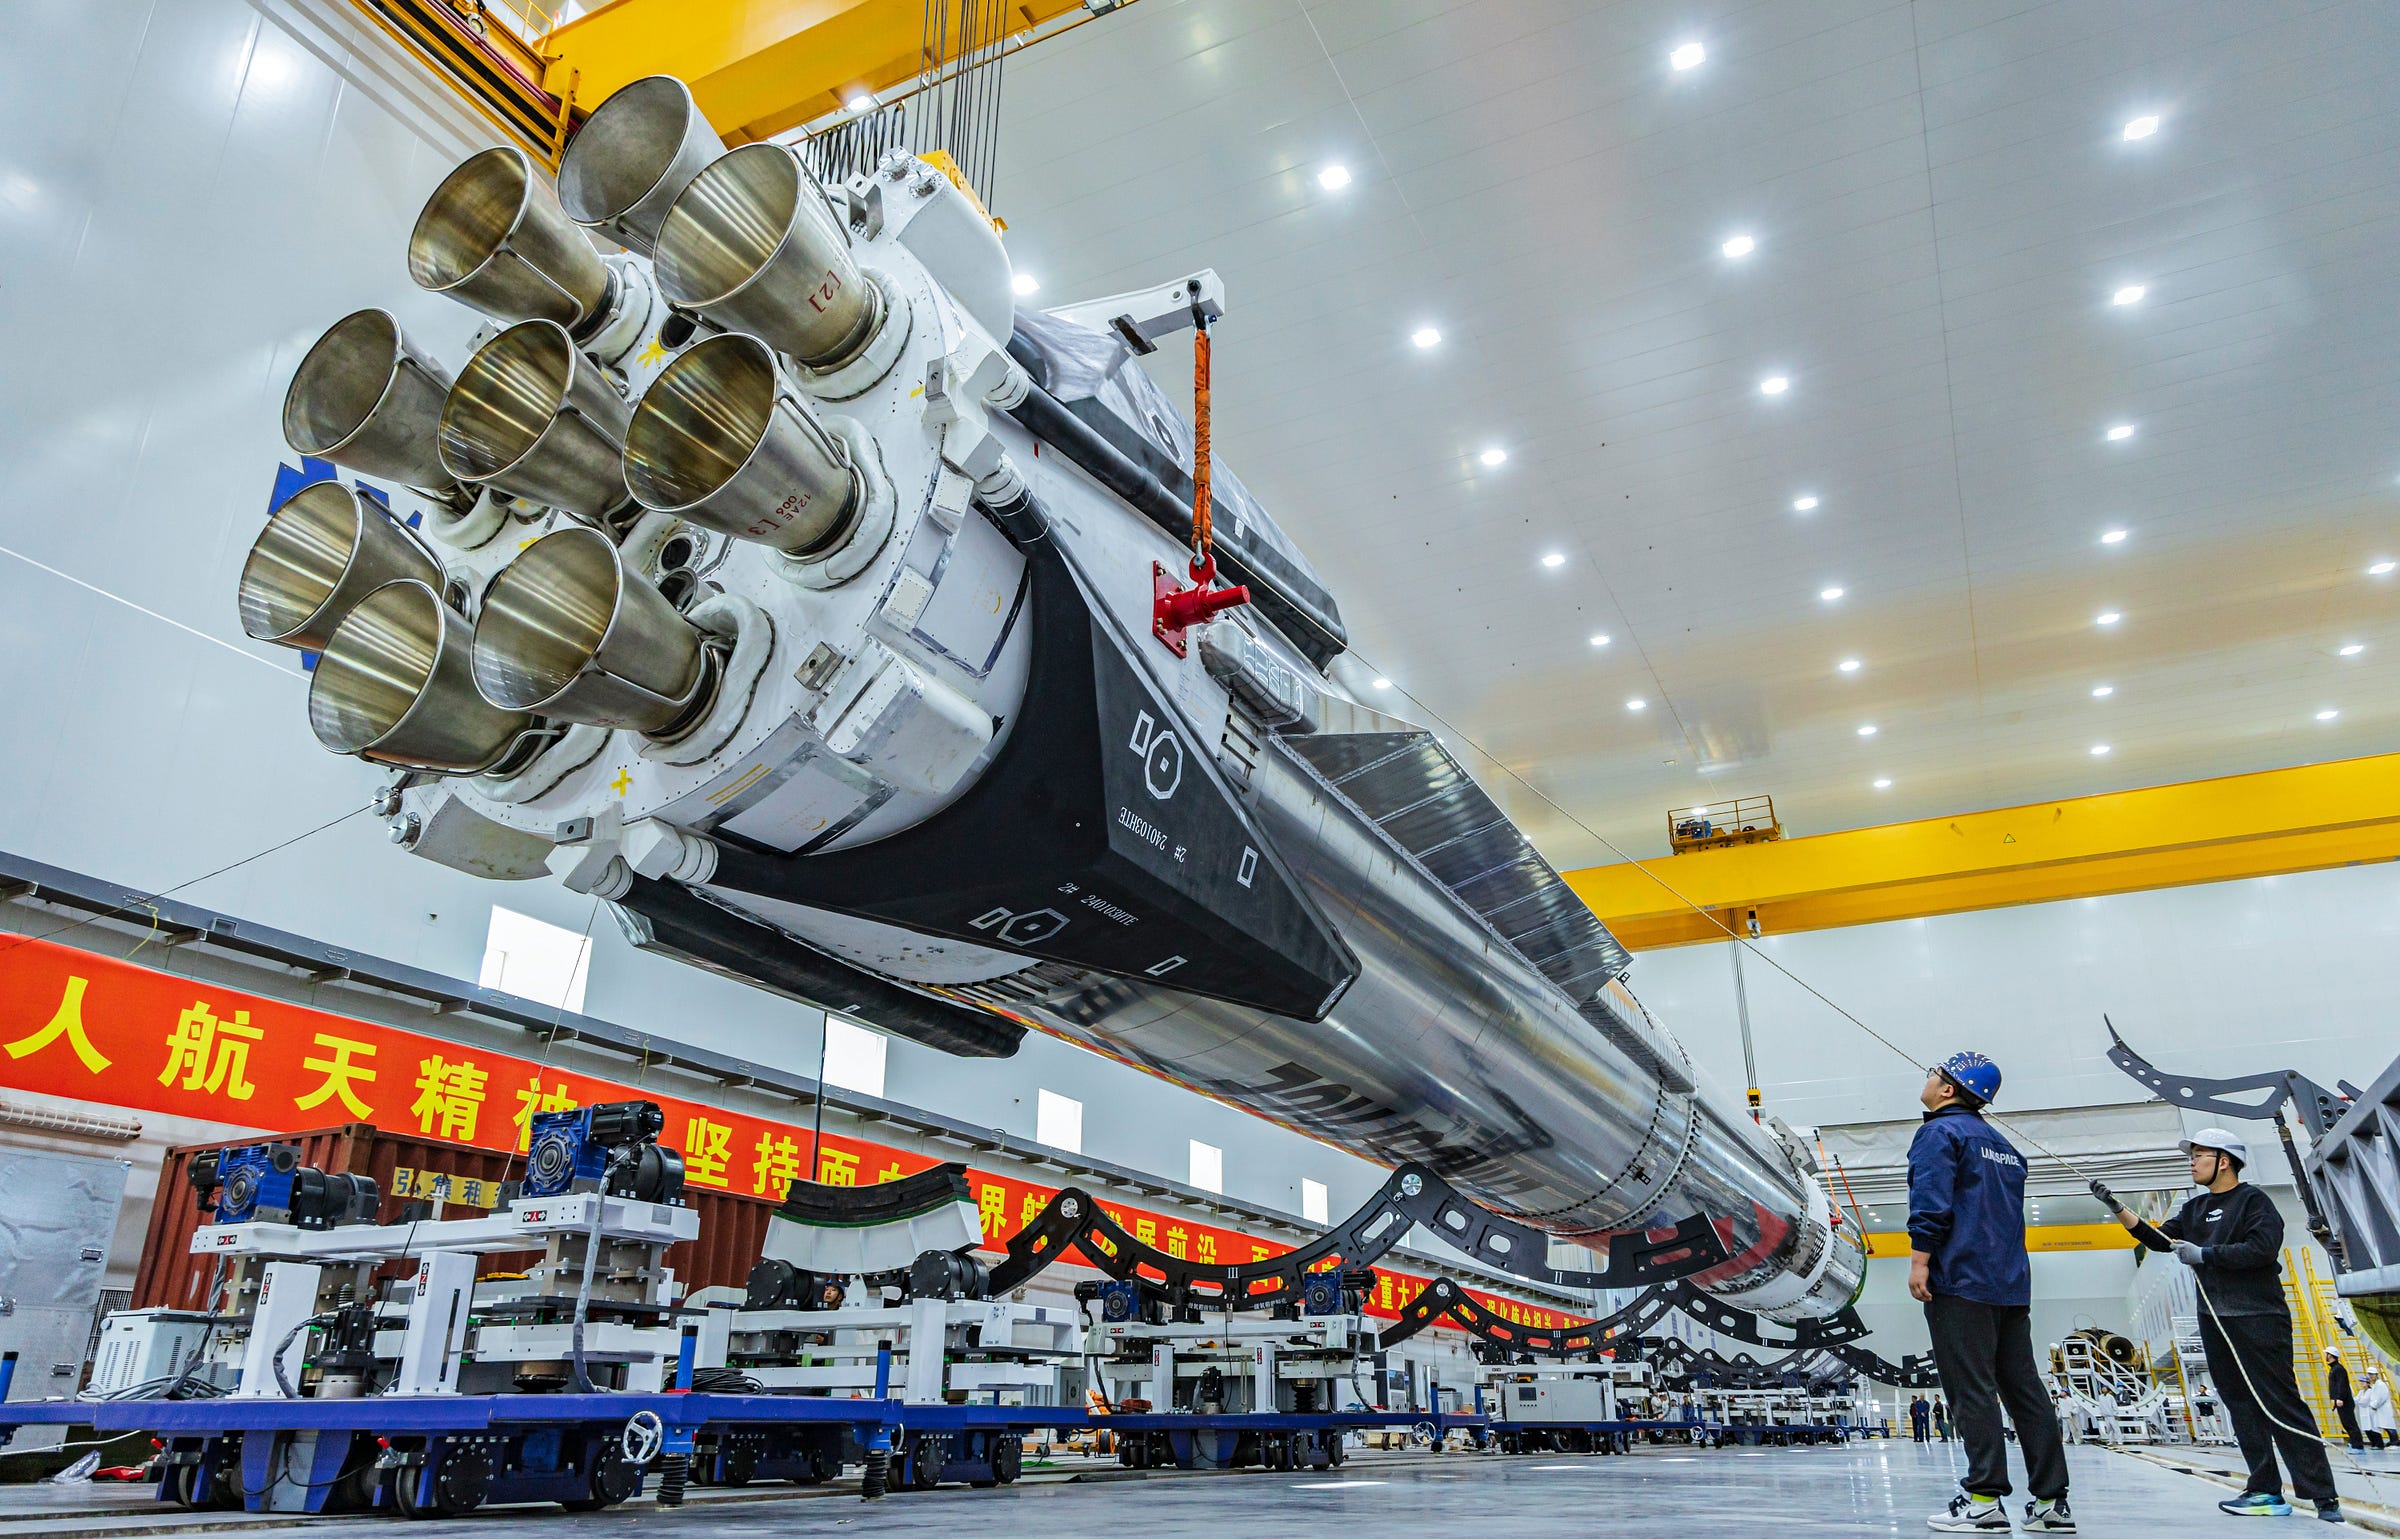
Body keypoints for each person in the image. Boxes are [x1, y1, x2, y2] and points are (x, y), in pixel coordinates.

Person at [2094, 1128, 2343, 1524]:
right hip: (2215, 1319)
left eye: (2198, 1155)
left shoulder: (2253, 1201)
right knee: (2240, 1406)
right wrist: (2119, 1208)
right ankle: (2264, 1490)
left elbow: (2261, 1249)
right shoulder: (2194, 1210)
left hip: (2258, 1315)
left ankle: (2322, 1496)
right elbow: (2159, 1240)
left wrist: (2205, 1255)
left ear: (2223, 1160)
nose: (2191, 1162)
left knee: (2280, 1402)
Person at [1910, 1051, 2073, 1534]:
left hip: (1960, 1281)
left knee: (1971, 1389)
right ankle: (2050, 1505)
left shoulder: (1939, 1133)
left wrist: (1921, 1258)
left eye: (1933, 1074)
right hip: (2009, 1285)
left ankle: (1983, 1500)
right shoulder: (2004, 1147)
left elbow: (1931, 1200)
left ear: (1948, 1090)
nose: (1927, 1079)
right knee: (2025, 1392)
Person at [2326, 1349, 2363, 1450]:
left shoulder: (2338, 1369)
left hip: (2344, 1401)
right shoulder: (2334, 1368)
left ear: (2331, 1355)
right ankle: (2354, 1442)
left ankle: (2358, 1445)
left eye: (2327, 1354)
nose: (2326, 1355)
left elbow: (2342, 1385)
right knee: (2346, 1423)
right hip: (2340, 1401)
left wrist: (2339, 1398)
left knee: (2350, 1423)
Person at [2362, 1365, 2394, 1451]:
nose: (2371, 1376)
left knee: (2388, 1426)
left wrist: (2374, 1405)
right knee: (2384, 1425)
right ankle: (2392, 1442)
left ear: (2376, 1375)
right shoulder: (2375, 1385)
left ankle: (2395, 1442)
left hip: (2383, 1409)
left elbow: (2381, 1397)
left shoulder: (2380, 1385)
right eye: (2369, 1375)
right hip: (2379, 1409)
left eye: (2372, 1374)